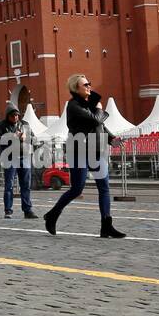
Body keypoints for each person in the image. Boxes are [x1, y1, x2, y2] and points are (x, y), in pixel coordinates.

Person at [42, 74, 126, 239]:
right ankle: (52, 214)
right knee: (76, 189)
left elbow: (100, 125)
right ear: (76, 88)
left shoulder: (89, 105)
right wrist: (100, 108)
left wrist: (112, 139)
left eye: (89, 83)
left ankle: (106, 225)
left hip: (96, 150)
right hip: (79, 151)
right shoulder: (73, 106)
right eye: (85, 84)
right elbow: (96, 120)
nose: (89, 86)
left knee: (104, 187)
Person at [0, 106, 36, 219]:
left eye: (17, 115)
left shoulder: (24, 124)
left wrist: (26, 137)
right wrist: (12, 136)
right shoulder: (0, 125)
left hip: (24, 157)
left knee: (26, 185)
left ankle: (28, 210)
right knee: (9, 185)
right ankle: (8, 210)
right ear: (8, 116)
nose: (15, 117)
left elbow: (34, 139)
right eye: (13, 115)